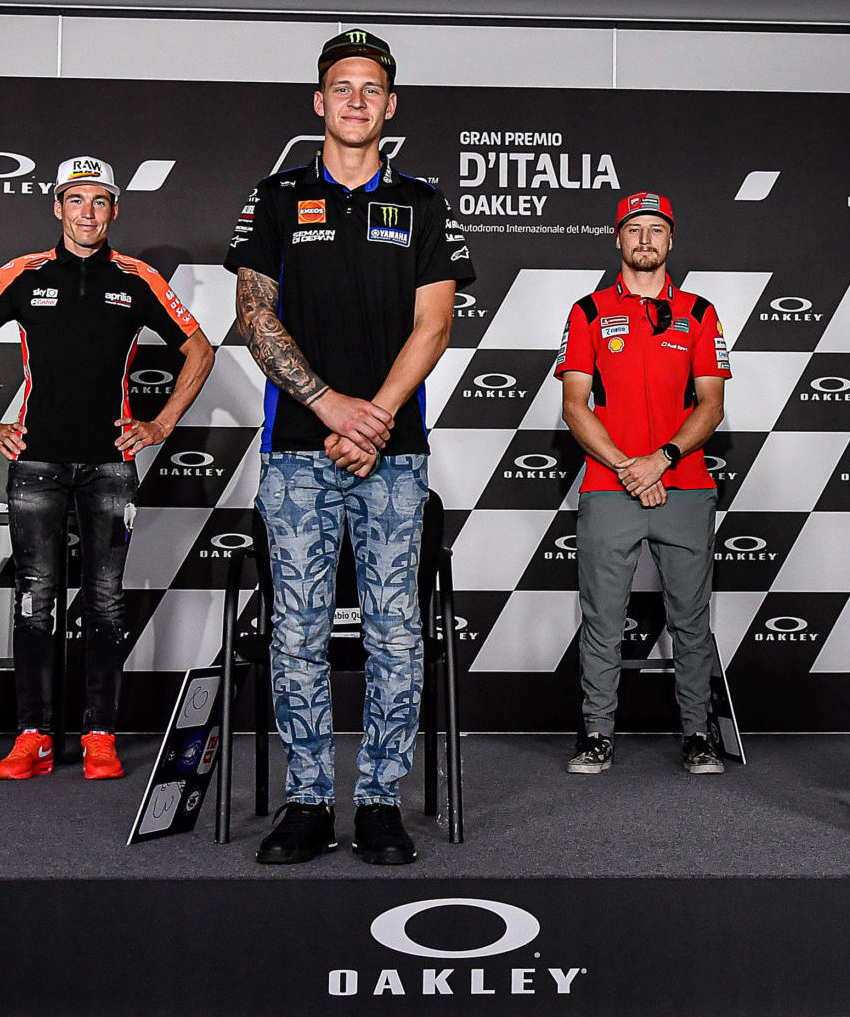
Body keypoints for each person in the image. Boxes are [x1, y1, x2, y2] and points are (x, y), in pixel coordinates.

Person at [225, 29, 474, 865]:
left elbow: (434, 323)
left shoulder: (424, 203)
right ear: (319, 101)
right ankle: (304, 802)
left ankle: (376, 803)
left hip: (394, 457)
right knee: (294, 632)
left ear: (391, 105)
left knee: (394, 633)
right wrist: (332, 406)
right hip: (297, 452)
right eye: (343, 86)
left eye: (372, 88)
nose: (357, 99)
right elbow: (256, 317)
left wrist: (373, 418)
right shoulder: (274, 196)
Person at [0, 157, 212, 781]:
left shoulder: (136, 276)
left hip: (110, 466)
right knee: (35, 599)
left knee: (105, 602)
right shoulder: (25, 272)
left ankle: (99, 735)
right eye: (75, 200)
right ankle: (33, 737)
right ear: (57, 207)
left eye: (99, 201)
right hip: (35, 461)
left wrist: (161, 425)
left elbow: (199, 349)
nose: (87, 212)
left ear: (115, 210)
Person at [554, 192, 730, 776]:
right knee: (602, 618)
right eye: (635, 230)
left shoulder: (701, 313)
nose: (646, 240)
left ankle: (698, 734)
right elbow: (575, 406)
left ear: (671, 240)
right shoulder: (587, 312)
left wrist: (663, 458)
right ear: (618, 239)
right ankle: (598, 735)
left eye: (657, 230)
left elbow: (711, 406)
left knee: (691, 620)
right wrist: (633, 466)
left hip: (685, 484)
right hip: (610, 487)